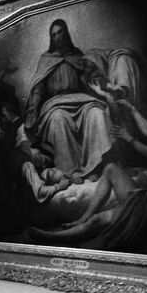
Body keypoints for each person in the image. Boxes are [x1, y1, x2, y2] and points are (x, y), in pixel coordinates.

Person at [28, 101, 147, 252]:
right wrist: (133, 109)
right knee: (111, 169)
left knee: (100, 227)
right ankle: (82, 218)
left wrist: (130, 139)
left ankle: (49, 237)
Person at [23, 19, 114, 179]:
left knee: (96, 113)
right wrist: (33, 107)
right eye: (54, 35)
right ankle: (69, 172)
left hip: (79, 99)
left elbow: (86, 79)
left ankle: (94, 167)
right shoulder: (47, 59)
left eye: (60, 32)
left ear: (66, 33)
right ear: (51, 38)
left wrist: (95, 85)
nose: (57, 37)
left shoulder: (77, 55)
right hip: (56, 103)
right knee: (58, 119)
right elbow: (38, 86)